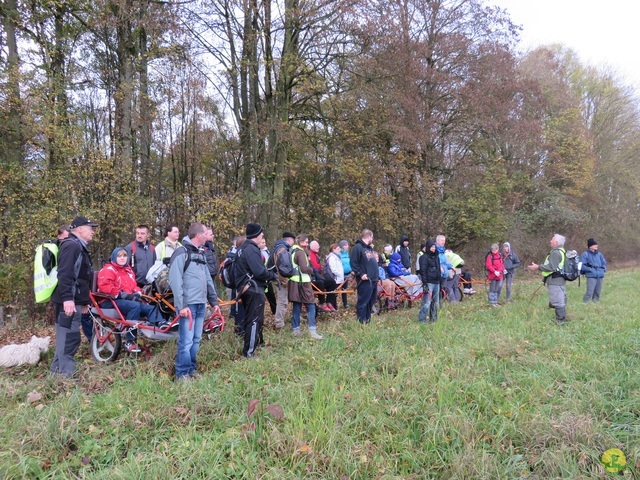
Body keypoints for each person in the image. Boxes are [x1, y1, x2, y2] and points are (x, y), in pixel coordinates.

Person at [169, 222, 220, 380]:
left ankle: (191, 369)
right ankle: (182, 374)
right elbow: (176, 282)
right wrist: (182, 306)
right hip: (188, 306)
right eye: (206, 233)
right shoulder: (181, 253)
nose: (208, 236)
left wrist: (214, 302)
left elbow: (207, 280)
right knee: (186, 341)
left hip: (200, 304)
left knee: (196, 339)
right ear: (198, 235)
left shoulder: (201, 254)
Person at [50, 216, 98, 378]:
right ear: (79, 229)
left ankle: (56, 375)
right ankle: (66, 377)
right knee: (69, 338)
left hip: (74, 300)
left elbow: (82, 277)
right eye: (90, 227)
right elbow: (65, 274)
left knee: (66, 338)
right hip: (68, 302)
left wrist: (84, 302)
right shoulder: (72, 246)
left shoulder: (78, 246)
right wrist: (68, 299)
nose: (92, 231)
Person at [97, 247, 162, 353]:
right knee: (134, 306)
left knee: (151, 307)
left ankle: (161, 326)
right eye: (119, 256)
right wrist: (125, 295)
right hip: (108, 300)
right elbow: (105, 287)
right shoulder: (108, 270)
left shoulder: (128, 270)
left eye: (124, 256)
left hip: (124, 300)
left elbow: (133, 286)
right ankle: (130, 340)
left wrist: (138, 292)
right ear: (114, 257)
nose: (122, 258)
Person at [234, 223, 279, 357]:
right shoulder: (251, 249)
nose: (263, 237)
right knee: (254, 320)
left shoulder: (242, 248)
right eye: (262, 235)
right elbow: (259, 271)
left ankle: (257, 345)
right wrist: (273, 276)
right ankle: (249, 352)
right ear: (257, 235)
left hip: (247, 288)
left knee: (255, 319)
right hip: (253, 288)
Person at [288, 234, 323, 339]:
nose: (307, 244)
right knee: (311, 306)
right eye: (306, 242)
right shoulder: (300, 253)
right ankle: (313, 332)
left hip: (294, 282)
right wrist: (312, 270)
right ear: (300, 242)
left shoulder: (292, 251)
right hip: (303, 282)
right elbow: (304, 268)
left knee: (297, 307)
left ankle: (296, 330)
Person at [527, 233, 568, 324]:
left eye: (552, 239)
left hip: (555, 280)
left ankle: (560, 322)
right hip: (559, 279)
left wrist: (538, 267)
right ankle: (562, 319)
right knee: (559, 299)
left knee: (558, 301)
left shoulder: (556, 252)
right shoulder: (562, 251)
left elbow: (551, 267)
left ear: (556, 242)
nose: (550, 241)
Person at [350, 229, 379, 324]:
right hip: (365, 280)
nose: (372, 239)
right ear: (369, 236)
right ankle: (361, 321)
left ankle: (367, 320)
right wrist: (361, 274)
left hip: (373, 279)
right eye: (372, 237)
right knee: (363, 301)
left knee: (371, 301)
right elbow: (354, 263)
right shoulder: (357, 248)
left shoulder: (368, 248)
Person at [271, 232, 296, 329]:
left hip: (277, 277)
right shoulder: (283, 250)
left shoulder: (277, 248)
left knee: (282, 300)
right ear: (289, 240)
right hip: (281, 279)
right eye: (293, 240)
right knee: (283, 301)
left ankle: (279, 321)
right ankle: (279, 323)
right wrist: (292, 273)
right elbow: (285, 269)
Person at [418, 239, 441, 323]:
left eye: (434, 247)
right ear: (428, 247)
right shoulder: (423, 258)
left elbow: (438, 269)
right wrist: (425, 284)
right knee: (426, 303)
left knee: (435, 303)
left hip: (436, 282)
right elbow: (423, 271)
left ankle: (434, 319)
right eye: (431, 247)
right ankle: (422, 319)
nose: (433, 248)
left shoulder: (436, 257)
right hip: (429, 282)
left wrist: (439, 280)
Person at [580, 238, 607, 302]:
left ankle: (595, 305)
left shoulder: (599, 254)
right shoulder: (584, 255)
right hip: (591, 275)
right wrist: (590, 270)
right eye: (595, 245)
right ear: (590, 246)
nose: (596, 246)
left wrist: (603, 270)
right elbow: (582, 266)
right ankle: (585, 303)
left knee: (597, 292)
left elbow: (604, 263)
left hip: (600, 275)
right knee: (590, 292)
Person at [308, 240, 331, 312]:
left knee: (332, 282)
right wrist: (319, 268)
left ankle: (329, 302)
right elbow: (314, 268)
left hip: (318, 276)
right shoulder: (310, 255)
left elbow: (317, 268)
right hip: (312, 279)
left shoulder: (316, 255)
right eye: (317, 246)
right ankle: (322, 303)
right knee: (321, 282)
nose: (319, 247)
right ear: (312, 247)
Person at [325, 243, 344, 311]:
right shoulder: (332, 257)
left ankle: (333, 307)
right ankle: (332, 306)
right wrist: (339, 274)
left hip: (339, 278)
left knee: (335, 294)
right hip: (335, 278)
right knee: (332, 293)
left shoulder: (337, 257)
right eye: (338, 249)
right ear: (333, 249)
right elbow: (333, 269)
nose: (339, 250)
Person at [338, 240, 352, 308]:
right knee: (337, 289)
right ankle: (334, 304)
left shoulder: (347, 254)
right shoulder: (338, 254)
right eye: (345, 245)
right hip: (340, 274)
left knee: (344, 289)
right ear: (342, 246)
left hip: (347, 274)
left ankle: (345, 303)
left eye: (347, 245)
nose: (347, 246)